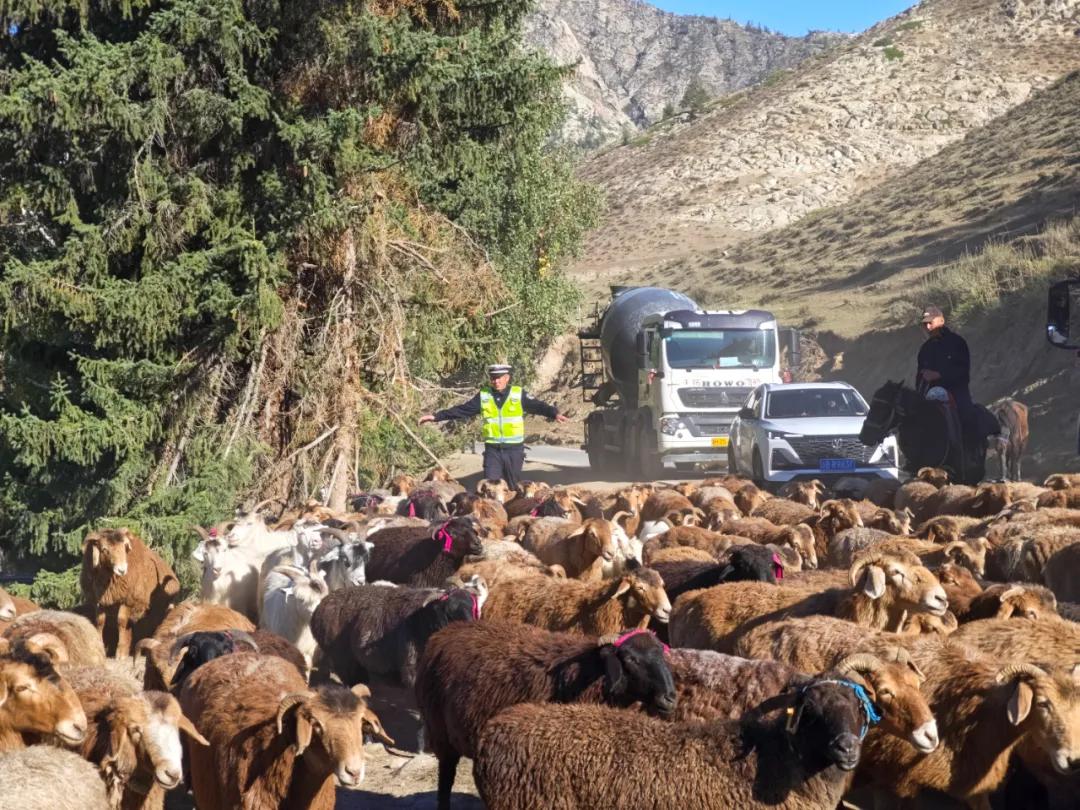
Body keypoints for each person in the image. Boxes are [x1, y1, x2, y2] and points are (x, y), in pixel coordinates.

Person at [418, 364, 569, 490]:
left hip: (514, 451)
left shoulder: (518, 393)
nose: (496, 381)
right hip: (493, 451)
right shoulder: (484, 395)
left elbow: (538, 406)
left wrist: (554, 413)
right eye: (493, 378)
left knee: (513, 488)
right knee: (490, 487)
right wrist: (437, 416)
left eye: (499, 378)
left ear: (507, 378)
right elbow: (463, 410)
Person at [916, 306, 972, 413]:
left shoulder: (957, 342)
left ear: (941, 320)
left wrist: (939, 374)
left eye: (930, 322)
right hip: (931, 398)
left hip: (956, 393)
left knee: (967, 416)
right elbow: (919, 379)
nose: (928, 327)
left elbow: (963, 371)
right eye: (925, 324)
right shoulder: (924, 349)